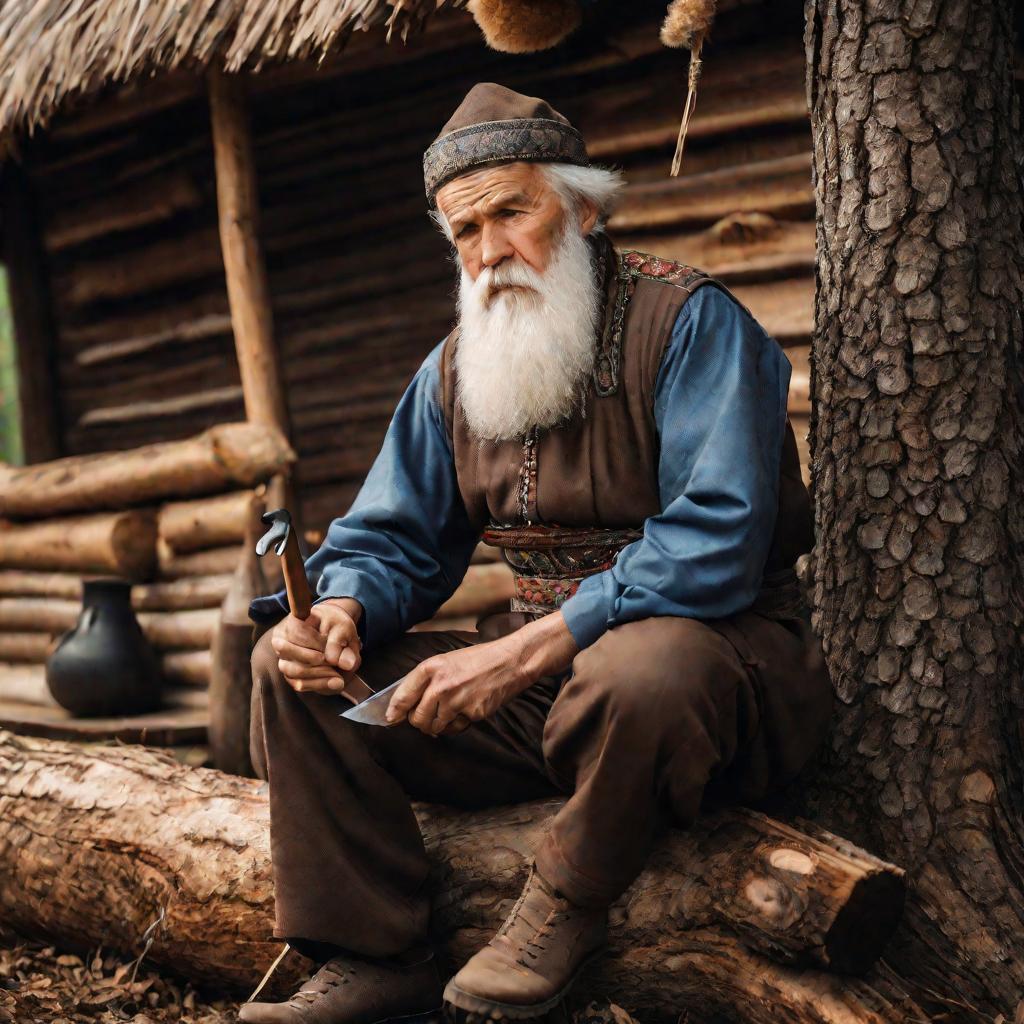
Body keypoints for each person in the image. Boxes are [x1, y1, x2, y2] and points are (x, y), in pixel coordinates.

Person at [241, 82, 832, 1024]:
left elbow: (716, 539)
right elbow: (392, 534)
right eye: (464, 233)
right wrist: (346, 606)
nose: (489, 253)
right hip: (545, 702)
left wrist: (527, 648)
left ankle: (563, 903)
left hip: (718, 682)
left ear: (584, 206)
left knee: (644, 669)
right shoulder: (454, 369)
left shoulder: (689, 323)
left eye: (513, 212)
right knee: (289, 664)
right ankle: (374, 950)